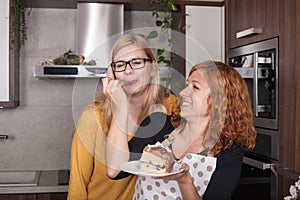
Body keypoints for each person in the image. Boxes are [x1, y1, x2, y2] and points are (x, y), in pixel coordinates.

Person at [67, 34, 180, 200]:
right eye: (120, 65)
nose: (128, 70)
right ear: (113, 73)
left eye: (137, 62)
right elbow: (78, 184)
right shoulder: (94, 116)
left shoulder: (169, 106)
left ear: (152, 68)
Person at [133, 61, 257, 200]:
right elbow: (115, 172)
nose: (183, 92)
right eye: (187, 85)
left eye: (195, 87)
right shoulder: (159, 125)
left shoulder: (228, 153)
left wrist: (184, 181)